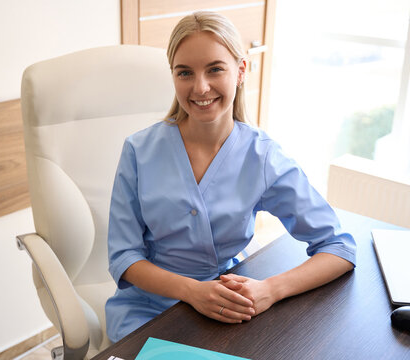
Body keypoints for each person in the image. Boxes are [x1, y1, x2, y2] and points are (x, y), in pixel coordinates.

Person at [105, 11, 356, 343]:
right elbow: (124, 257)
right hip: (147, 311)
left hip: (229, 307)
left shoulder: (262, 156)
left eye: (215, 69)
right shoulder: (139, 150)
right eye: (184, 73)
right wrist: (192, 291)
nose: (200, 87)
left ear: (241, 70)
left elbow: (339, 248)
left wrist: (270, 289)